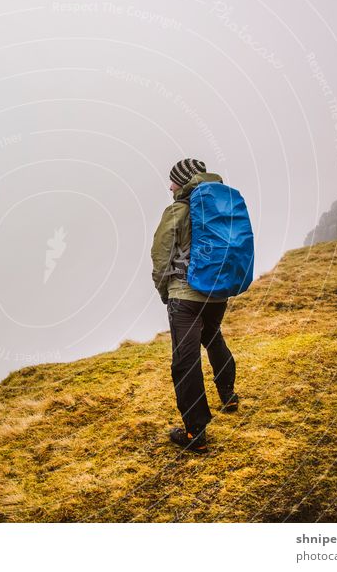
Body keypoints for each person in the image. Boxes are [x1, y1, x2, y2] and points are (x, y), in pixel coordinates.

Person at [150, 158, 240, 454]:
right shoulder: (221, 204)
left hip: (186, 296)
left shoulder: (179, 210)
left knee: (185, 363)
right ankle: (228, 394)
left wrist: (164, 289)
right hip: (217, 293)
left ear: (184, 181)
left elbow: (161, 254)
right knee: (213, 337)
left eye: (173, 180)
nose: (170, 185)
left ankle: (195, 433)